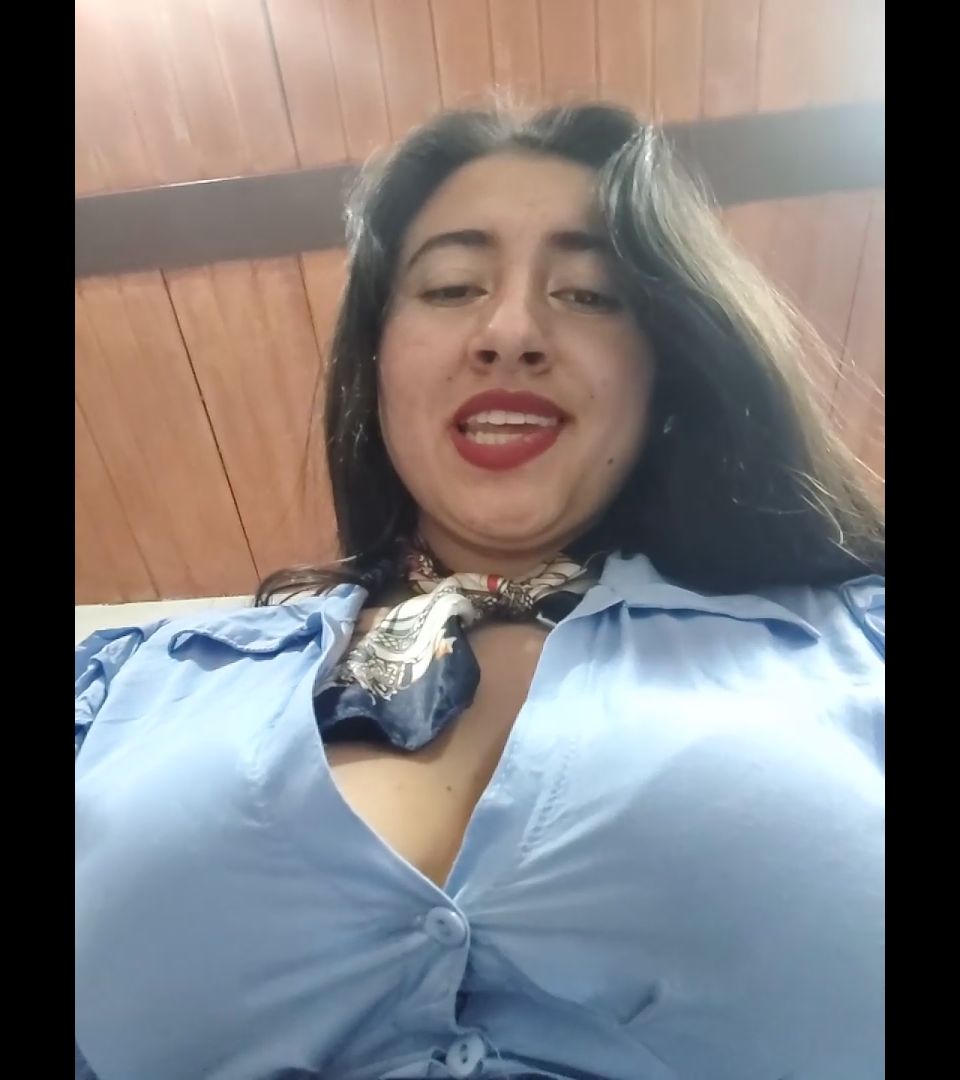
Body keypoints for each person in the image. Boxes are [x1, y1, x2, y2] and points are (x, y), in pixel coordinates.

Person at [75, 104, 884, 1080]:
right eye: (452, 287)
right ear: (377, 365)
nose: (511, 332)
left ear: (665, 373)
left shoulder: (860, 642)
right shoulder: (122, 694)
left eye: (589, 294)